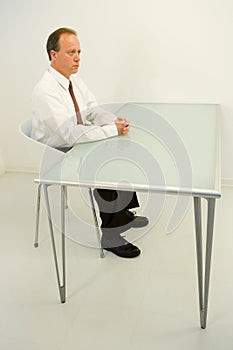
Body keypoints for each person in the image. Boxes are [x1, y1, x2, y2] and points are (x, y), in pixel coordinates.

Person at [31, 27, 148, 258]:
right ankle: (111, 236)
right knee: (105, 160)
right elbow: (70, 135)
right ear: (54, 55)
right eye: (71, 52)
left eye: (79, 52)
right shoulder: (45, 91)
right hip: (58, 155)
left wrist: (114, 122)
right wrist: (109, 131)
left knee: (118, 149)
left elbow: (93, 111)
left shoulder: (74, 81)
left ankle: (122, 213)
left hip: (76, 143)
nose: (77, 58)